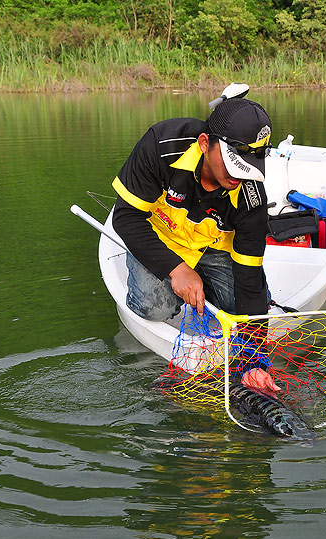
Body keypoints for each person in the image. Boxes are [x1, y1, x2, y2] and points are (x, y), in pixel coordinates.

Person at [111, 97, 278, 393]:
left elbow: (248, 278)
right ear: (204, 143)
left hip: (215, 248)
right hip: (160, 238)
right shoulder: (161, 145)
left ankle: (212, 293)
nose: (238, 175)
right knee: (152, 307)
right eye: (232, 163)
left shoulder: (252, 198)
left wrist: (254, 361)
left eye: (248, 167)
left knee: (247, 307)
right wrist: (177, 270)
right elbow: (126, 218)